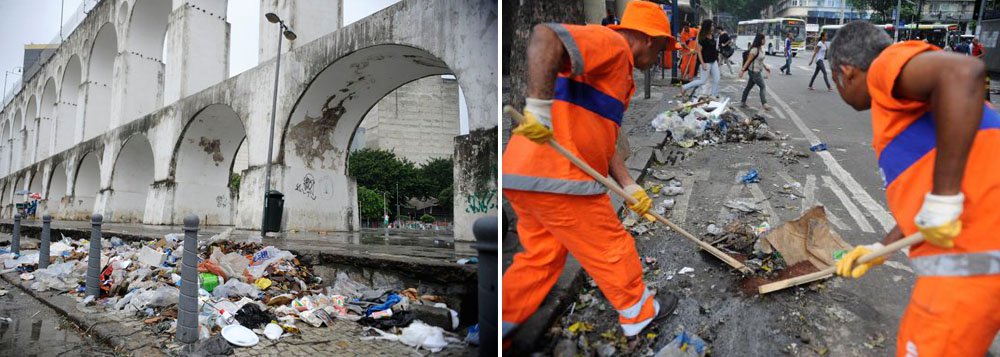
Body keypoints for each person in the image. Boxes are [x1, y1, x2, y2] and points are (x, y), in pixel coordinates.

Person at [501, 0, 679, 345]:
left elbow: (604, 141)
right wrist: (537, 110)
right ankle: (639, 314)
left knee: (542, 258)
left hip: (526, 174)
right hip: (560, 177)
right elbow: (545, 35)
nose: (659, 57)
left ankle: (498, 325)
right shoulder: (611, 44)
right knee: (613, 245)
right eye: (661, 48)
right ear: (649, 39)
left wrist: (629, 186)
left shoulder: (620, 75)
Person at [828, 22, 1000, 356]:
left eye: (835, 82)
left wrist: (944, 197)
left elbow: (963, 72)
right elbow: (928, 203)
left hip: (969, 267)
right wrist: (881, 248)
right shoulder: (921, 113)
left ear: (846, 72)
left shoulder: (883, 68)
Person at [678, 19, 720, 99]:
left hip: (713, 61)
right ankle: (685, 87)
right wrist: (702, 63)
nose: (713, 27)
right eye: (711, 26)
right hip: (706, 62)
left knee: (717, 79)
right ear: (707, 26)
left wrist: (716, 60)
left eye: (713, 25)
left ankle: (713, 96)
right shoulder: (702, 38)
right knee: (702, 81)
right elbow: (699, 52)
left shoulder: (712, 36)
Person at [739, 33, 772, 110]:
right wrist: (742, 70)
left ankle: (742, 102)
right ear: (760, 40)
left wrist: (765, 67)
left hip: (756, 71)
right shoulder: (754, 50)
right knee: (762, 86)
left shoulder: (761, 49)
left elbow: (759, 60)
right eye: (764, 39)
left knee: (748, 87)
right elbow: (748, 61)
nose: (765, 40)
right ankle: (764, 103)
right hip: (754, 72)